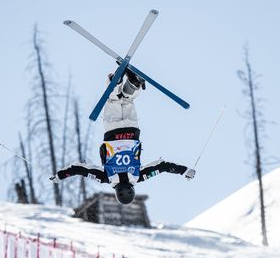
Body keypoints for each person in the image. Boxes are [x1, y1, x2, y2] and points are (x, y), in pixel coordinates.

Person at [50, 69, 195, 205]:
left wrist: (184, 170)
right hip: (112, 133)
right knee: (113, 101)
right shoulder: (106, 177)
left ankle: (133, 83)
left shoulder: (138, 176)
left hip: (131, 131)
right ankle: (116, 82)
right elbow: (80, 169)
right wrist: (60, 176)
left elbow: (162, 167)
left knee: (127, 101)